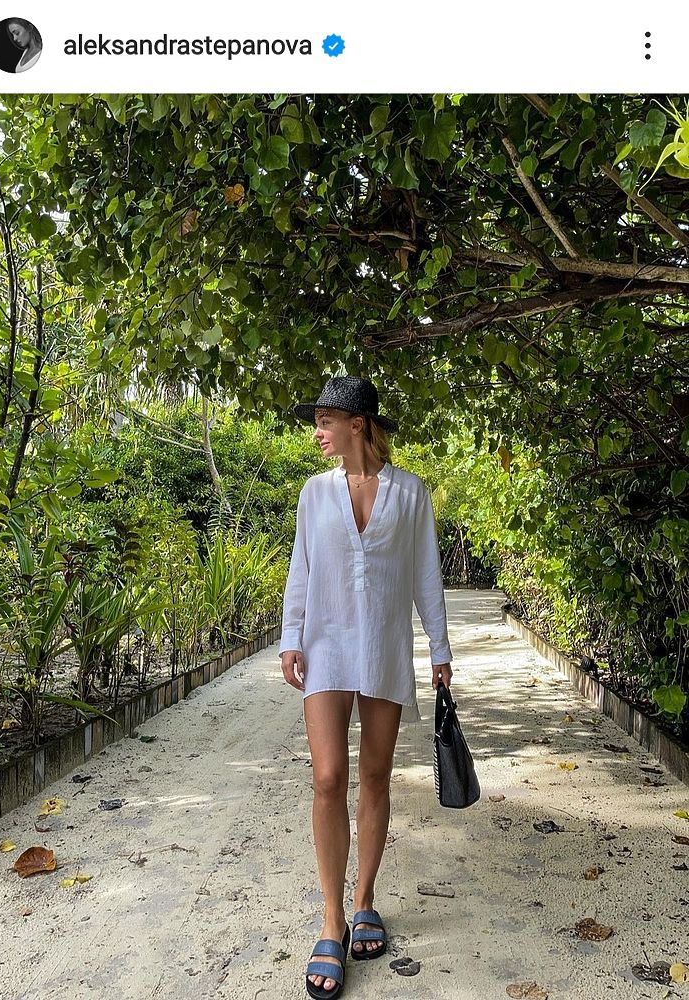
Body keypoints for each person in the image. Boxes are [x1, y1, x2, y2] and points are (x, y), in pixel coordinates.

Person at [278, 374, 454, 998]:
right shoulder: (314, 493)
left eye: (325, 421)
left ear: (358, 425)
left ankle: (364, 901)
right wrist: (291, 636)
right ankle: (331, 920)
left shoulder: (410, 493)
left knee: (375, 776)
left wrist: (440, 648)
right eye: (316, 421)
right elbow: (301, 567)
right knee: (328, 777)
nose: (317, 432)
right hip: (325, 645)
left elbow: (426, 574)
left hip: (383, 646)